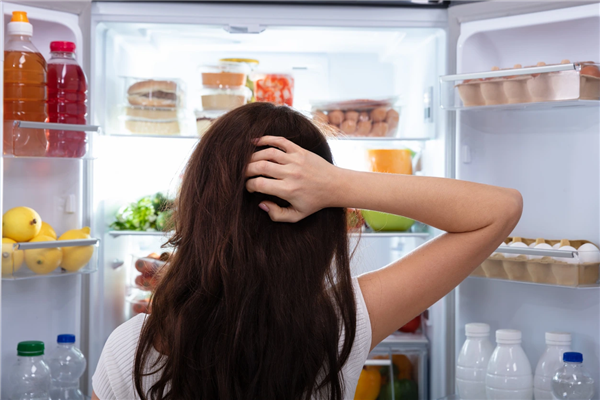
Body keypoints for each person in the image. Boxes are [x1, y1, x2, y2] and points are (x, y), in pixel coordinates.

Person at [92, 102, 522, 400]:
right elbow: (500, 210)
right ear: (323, 221)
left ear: (197, 207)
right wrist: (338, 184)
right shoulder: (339, 324)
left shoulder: (128, 348)